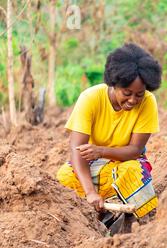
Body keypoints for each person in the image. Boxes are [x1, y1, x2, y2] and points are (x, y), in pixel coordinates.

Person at [57, 43, 161, 226]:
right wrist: (90, 192)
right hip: (93, 162)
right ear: (114, 84)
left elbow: (135, 150)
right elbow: (77, 151)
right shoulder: (90, 98)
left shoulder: (148, 102)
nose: (133, 101)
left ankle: (135, 222)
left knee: (135, 172)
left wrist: (101, 151)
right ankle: (91, 217)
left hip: (125, 161)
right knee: (65, 177)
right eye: (127, 93)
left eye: (139, 95)